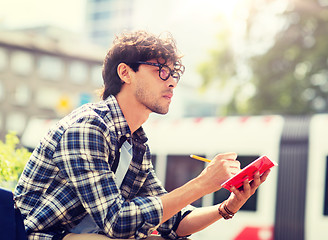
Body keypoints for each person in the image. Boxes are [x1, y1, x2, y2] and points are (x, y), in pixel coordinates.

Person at [14, 30, 271, 240]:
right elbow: (116, 221)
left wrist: (227, 207)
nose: (171, 82)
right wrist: (203, 183)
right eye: (160, 70)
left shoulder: (135, 143)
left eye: (174, 74)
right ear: (125, 73)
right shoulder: (88, 127)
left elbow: (172, 222)